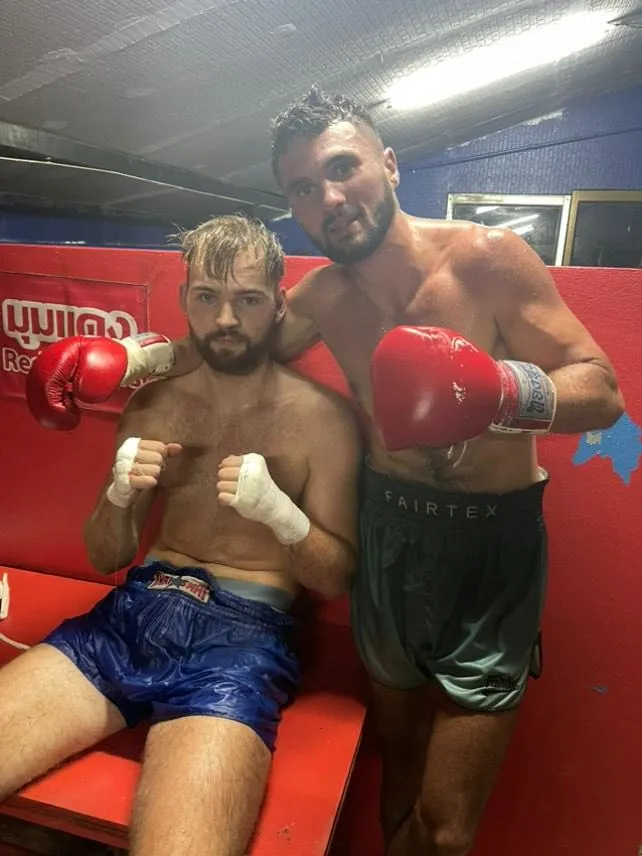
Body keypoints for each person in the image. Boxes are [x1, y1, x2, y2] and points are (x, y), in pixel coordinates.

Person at [24, 91, 626, 856]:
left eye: (343, 168)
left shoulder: (487, 258)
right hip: (390, 533)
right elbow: (231, 340)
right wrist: (125, 360)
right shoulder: (322, 298)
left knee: (447, 831)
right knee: (396, 767)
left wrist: (496, 392)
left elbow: (601, 389)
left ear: (390, 164)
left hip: (491, 544)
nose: (330, 198)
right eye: (304, 187)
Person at [5, 213, 362, 856]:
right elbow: (108, 554)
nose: (226, 319)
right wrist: (119, 495)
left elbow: (335, 576)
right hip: (129, 614)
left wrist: (281, 515)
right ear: (184, 299)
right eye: (207, 297)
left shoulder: (324, 420)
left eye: (248, 300)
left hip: (241, 641)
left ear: (279, 304)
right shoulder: (153, 405)